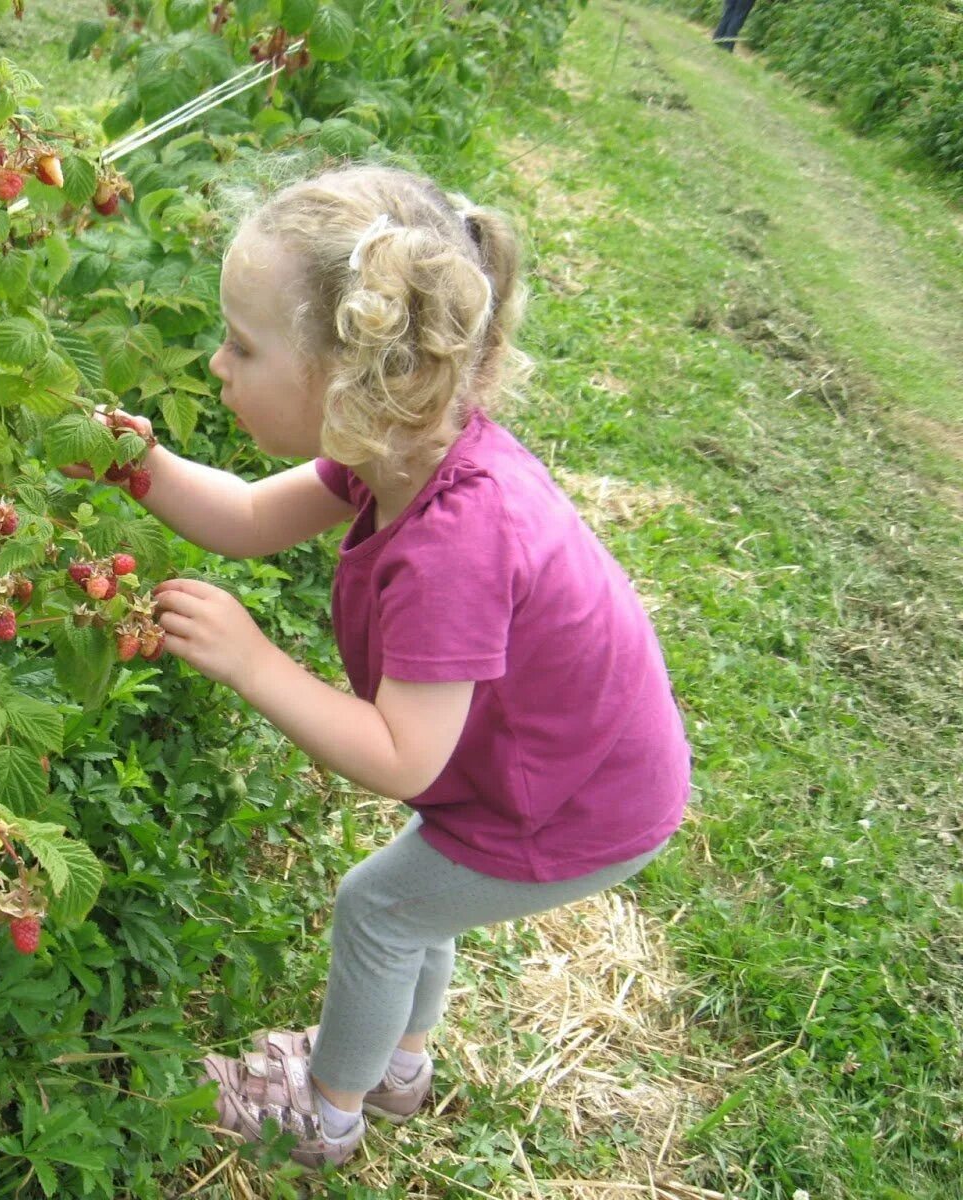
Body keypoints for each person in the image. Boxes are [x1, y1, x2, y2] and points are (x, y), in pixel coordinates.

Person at [96, 163, 691, 1170]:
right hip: (543, 771)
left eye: (242, 346)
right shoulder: (397, 444)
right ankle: (401, 1065)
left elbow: (402, 757)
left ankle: (326, 1109)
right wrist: (142, 469)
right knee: (423, 893)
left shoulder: (457, 541)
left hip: (580, 807)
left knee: (381, 906)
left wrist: (254, 661)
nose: (215, 364)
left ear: (349, 374)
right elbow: (244, 517)